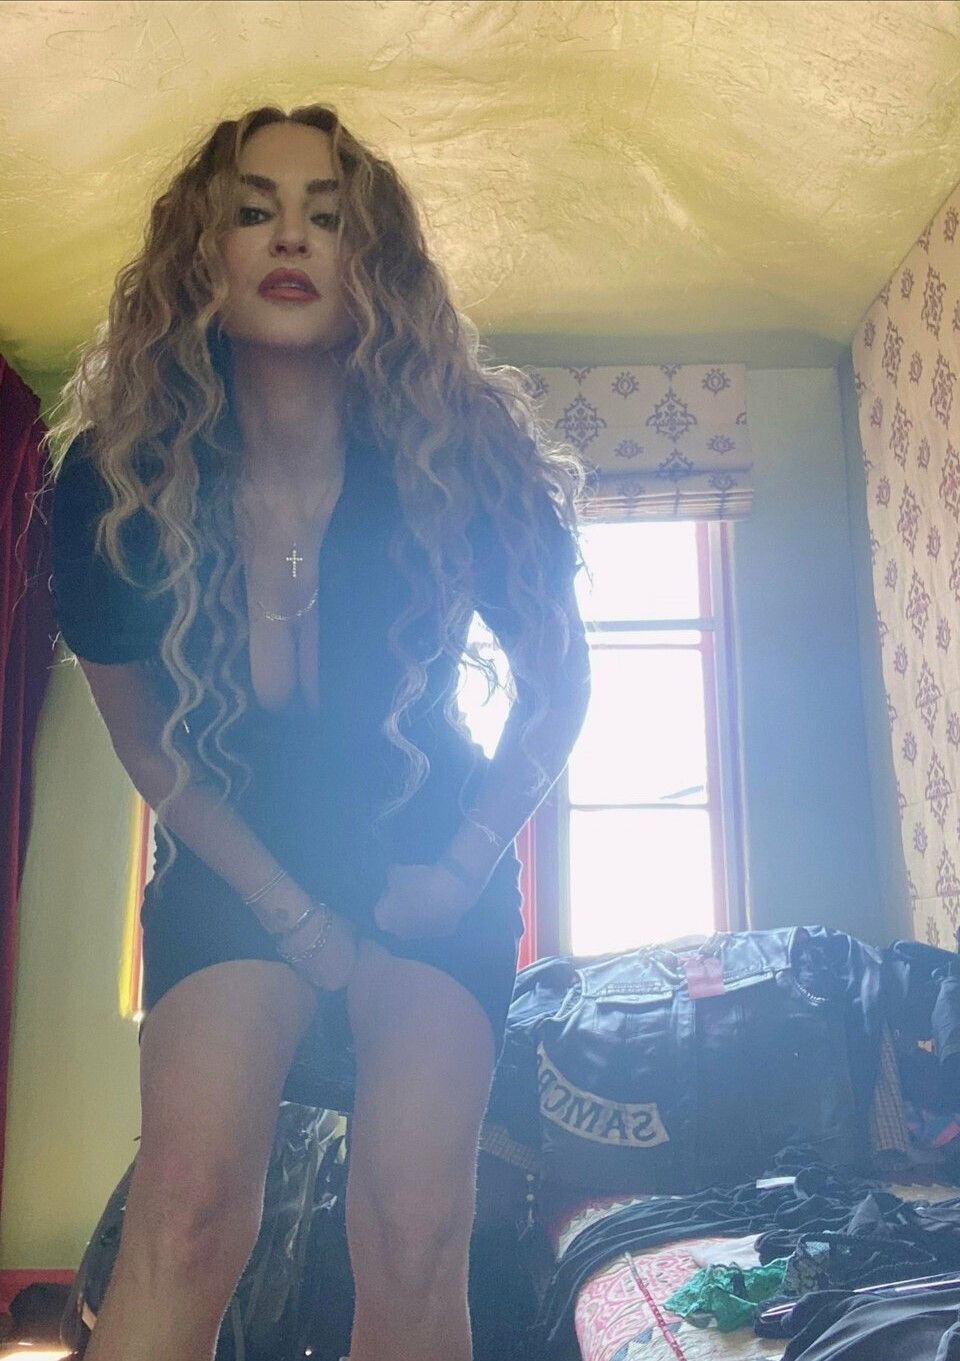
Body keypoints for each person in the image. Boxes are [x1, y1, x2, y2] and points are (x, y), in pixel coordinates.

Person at [46, 104, 591, 1361]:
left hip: (429, 856)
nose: (290, 238)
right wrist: (290, 911)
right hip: (233, 852)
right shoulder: (117, 475)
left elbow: (559, 686)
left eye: (328, 217)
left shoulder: (465, 448)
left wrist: (461, 865)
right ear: (204, 251)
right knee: (185, 1218)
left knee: (413, 1230)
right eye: (254, 210)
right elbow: (150, 748)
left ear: (372, 259)